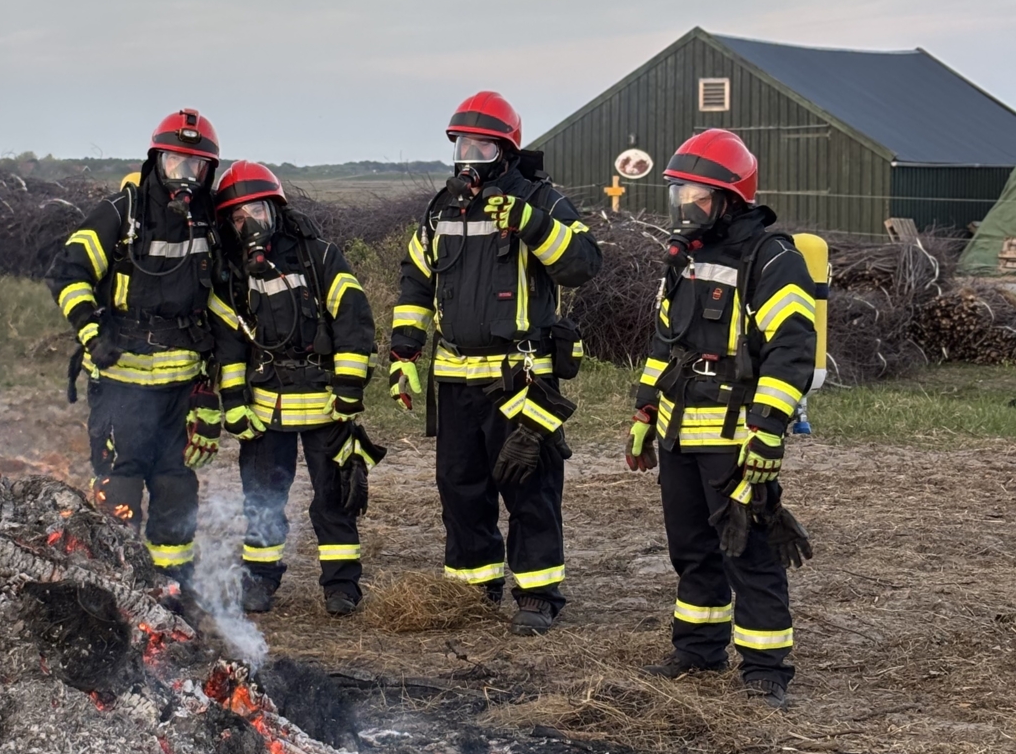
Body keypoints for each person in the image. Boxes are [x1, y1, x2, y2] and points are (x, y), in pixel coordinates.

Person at [389, 92, 601, 634]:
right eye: (461, 145)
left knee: (529, 484)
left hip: (520, 376)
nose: (468, 156)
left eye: (480, 147)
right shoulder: (441, 209)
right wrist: (404, 353)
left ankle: (537, 595)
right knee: (460, 486)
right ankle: (473, 587)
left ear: (505, 151)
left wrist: (532, 224)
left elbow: (582, 264)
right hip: (455, 376)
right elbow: (416, 282)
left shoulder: (541, 201)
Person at [625, 129, 818, 709]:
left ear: (730, 199)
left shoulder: (772, 258)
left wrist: (769, 430)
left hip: (736, 435)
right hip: (677, 427)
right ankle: (698, 650)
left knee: (748, 549)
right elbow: (666, 340)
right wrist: (645, 406)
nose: (684, 205)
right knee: (691, 548)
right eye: (679, 193)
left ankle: (765, 669)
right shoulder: (685, 256)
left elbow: (791, 349)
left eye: (696, 195)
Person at [52, 108, 222, 593]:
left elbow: (226, 305)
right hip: (120, 382)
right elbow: (69, 273)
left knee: (176, 485)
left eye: (196, 166)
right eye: (175, 162)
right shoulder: (119, 214)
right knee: (120, 484)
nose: (185, 175)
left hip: (182, 386)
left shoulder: (210, 222)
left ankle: (171, 587)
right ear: (155, 161)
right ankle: (119, 584)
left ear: (208, 171)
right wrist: (91, 332)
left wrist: (213, 391)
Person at [209, 162, 377, 617]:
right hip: (266, 409)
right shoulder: (231, 277)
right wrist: (234, 403)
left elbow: (354, 320)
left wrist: (348, 388)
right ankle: (259, 581)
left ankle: (341, 586)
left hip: (326, 406)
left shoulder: (319, 257)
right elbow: (229, 346)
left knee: (334, 498)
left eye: (256, 212)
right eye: (238, 218)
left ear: (276, 209)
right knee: (262, 500)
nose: (249, 224)